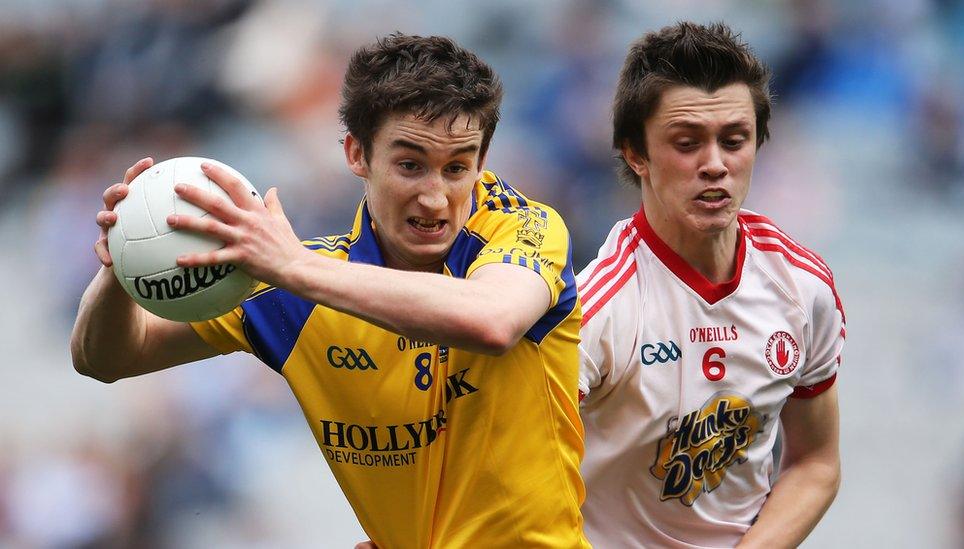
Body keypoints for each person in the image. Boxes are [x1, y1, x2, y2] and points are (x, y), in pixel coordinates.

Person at [71, 33, 589, 549]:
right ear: (357, 153)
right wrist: (126, 265)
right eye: (410, 165)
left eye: (457, 167)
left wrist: (293, 265)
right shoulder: (291, 285)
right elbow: (108, 357)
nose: (435, 198)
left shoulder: (524, 229)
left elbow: (493, 321)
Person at [577, 22, 845, 548]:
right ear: (636, 154)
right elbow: (512, 477)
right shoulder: (595, 311)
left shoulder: (802, 288)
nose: (716, 165)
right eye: (686, 143)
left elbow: (816, 463)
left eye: (734, 140)